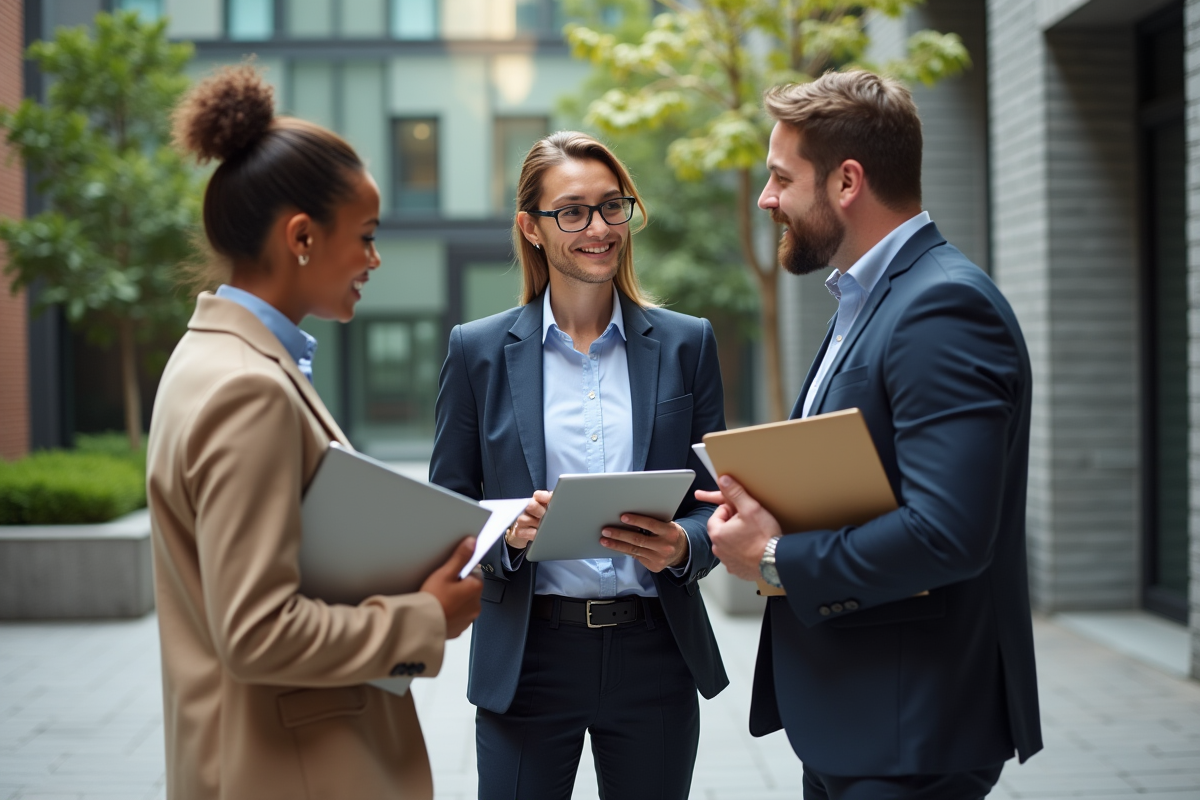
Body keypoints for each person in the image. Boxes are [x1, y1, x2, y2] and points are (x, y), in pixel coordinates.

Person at [700, 70, 1043, 800]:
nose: (766, 199)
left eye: (780, 178)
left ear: (847, 181)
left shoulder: (941, 307)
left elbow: (948, 533)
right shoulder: (869, 299)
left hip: (909, 730)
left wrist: (771, 557)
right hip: (860, 720)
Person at [147, 65, 483, 800]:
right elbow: (257, 631)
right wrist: (427, 618)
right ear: (301, 236)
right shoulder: (248, 389)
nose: (374, 259)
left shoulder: (206, 357)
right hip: (293, 768)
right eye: (365, 236)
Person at [429, 131, 728, 800]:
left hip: (656, 654)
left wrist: (683, 545)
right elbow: (446, 512)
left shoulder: (687, 343)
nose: (598, 228)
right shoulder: (477, 352)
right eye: (572, 211)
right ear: (530, 228)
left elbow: (717, 505)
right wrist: (508, 535)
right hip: (529, 656)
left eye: (611, 206)